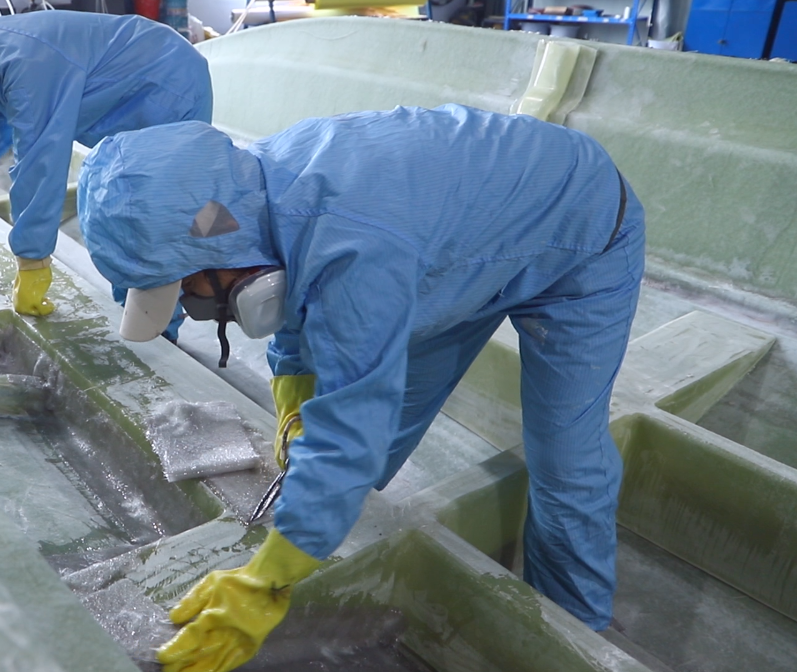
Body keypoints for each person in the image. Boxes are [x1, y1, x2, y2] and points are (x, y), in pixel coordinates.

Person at [76, 105, 645, 672]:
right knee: (369, 445)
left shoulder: (352, 245)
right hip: (462, 244)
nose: (192, 307)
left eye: (188, 289)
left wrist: (264, 582)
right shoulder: (241, 201)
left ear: (216, 243)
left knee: (565, 456)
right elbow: (294, 304)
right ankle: (319, 527)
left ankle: (575, 629)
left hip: (583, 230)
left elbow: (352, 433)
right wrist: (295, 400)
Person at [0, 0, 212, 324]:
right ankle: (138, 317)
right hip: (132, 92)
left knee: (143, 213)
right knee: (114, 208)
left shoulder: (25, 60)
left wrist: (32, 261)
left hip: (166, 83)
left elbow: (40, 161)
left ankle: (160, 330)